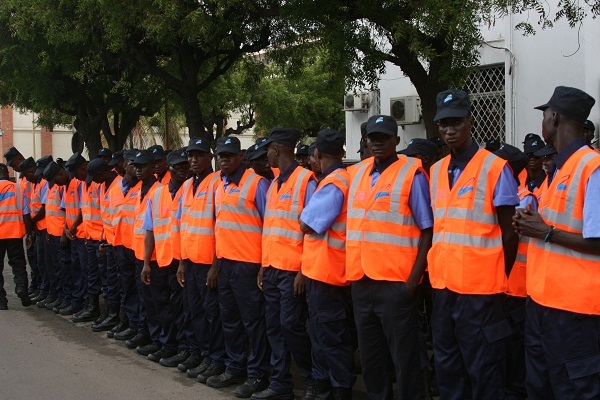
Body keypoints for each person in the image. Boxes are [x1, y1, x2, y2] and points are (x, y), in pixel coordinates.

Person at [428, 89, 519, 399]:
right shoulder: (437, 170)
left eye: (456, 123)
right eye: (443, 125)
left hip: (481, 291)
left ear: (470, 121)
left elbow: (510, 233)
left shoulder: (494, 167)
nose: (449, 131)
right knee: (448, 364)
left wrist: (497, 276)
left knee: (484, 368)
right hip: (443, 287)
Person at [513, 86, 600, 400]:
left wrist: (545, 231)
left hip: (574, 312)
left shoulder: (591, 167)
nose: (543, 122)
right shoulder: (558, 170)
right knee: (540, 388)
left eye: (544, 115)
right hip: (541, 304)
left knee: (573, 389)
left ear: (554, 117)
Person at [345, 115, 433, 400]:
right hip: (361, 280)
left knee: (405, 359)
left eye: (384, 137)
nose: (377, 142)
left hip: (396, 284)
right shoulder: (357, 174)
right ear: (366, 142)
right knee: (371, 359)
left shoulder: (412, 174)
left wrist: (413, 282)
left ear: (396, 140)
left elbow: (427, 231)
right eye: (372, 138)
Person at [208, 136, 271, 398]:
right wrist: (214, 264)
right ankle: (236, 367)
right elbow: (218, 228)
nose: (224, 160)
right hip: (225, 264)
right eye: (220, 156)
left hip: (248, 266)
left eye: (229, 155)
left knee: (253, 322)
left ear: (241, 157)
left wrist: (263, 266)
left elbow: (270, 226)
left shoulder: (257, 184)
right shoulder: (219, 187)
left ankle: (258, 374)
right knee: (230, 320)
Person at [257, 128, 317, 400]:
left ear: (277, 150)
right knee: (274, 327)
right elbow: (270, 228)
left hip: (293, 271)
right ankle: (280, 384)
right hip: (271, 269)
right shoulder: (274, 183)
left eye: (267, 149)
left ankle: (312, 379)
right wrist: (262, 265)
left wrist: (304, 270)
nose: (265, 154)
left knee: (291, 327)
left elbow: (314, 230)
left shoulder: (306, 181)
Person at [300, 129, 355, 399]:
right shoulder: (336, 180)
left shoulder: (334, 183)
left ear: (318, 154)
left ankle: (339, 389)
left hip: (329, 274)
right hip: (322, 272)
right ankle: (325, 386)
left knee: (332, 338)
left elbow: (307, 224)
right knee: (322, 335)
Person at [176, 138, 226, 378]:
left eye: (198, 155)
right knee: (195, 311)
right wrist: (181, 263)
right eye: (190, 156)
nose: (193, 160)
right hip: (190, 261)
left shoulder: (218, 183)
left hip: (209, 262)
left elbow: (220, 227)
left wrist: (215, 266)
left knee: (212, 314)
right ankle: (202, 354)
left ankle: (216, 358)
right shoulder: (187, 186)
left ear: (209, 157)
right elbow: (184, 225)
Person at [140, 149, 188, 364]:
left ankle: (181, 347)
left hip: (181, 260)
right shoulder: (157, 193)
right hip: (160, 259)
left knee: (181, 308)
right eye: (178, 166)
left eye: (185, 166)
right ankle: (166, 343)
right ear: (170, 168)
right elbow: (149, 229)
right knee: (161, 305)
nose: (183, 170)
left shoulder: (189, 191)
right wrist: (146, 262)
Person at [493, 144, 531, 400]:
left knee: (514, 345)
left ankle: (515, 389)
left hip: (515, 285)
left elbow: (509, 238)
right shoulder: (516, 194)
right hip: (505, 284)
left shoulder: (523, 199)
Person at [130, 150, 164, 357]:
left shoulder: (159, 190)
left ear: (153, 167)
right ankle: (151, 335)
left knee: (157, 301)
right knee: (146, 300)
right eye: (136, 166)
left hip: (156, 255)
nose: (139, 170)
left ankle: (161, 340)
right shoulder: (138, 189)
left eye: (143, 166)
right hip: (139, 252)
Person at [87, 158, 122, 332]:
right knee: (109, 281)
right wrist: (102, 240)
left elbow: (120, 219)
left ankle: (115, 316)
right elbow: (105, 219)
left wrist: (111, 242)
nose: (93, 182)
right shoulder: (103, 186)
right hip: (107, 241)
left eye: (94, 177)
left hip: (118, 243)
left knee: (115, 282)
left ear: (102, 173)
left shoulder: (119, 186)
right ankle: (110, 314)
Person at [41, 161, 73, 313]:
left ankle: (67, 298)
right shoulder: (54, 187)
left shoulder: (63, 187)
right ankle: (60, 297)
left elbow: (66, 212)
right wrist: (48, 231)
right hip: (52, 234)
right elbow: (50, 211)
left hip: (61, 236)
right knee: (56, 268)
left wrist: (63, 233)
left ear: (60, 173)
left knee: (65, 269)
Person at [0, 163, 31, 309]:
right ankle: (21, 289)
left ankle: (1, 301)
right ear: (7, 173)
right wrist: (29, 232)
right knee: (18, 264)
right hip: (15, 233)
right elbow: (25, 213)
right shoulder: (18, 188)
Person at [62, 153, 89, 317]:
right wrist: (66, 228)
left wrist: (71, 228)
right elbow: (68, 209)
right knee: (76, 269)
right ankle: (78, 302)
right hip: (73, 234)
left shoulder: (82, 184)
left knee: (85, 272)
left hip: (81, 233)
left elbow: (82, 210)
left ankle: (86, 304)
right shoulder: (73, 182)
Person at [521, 133, 546, 198]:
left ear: (543, 157)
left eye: (536, 156)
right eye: (529, 155)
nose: (532, 159)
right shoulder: (518, 182)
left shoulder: (550, 182)